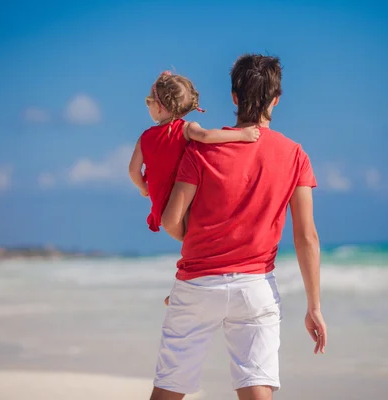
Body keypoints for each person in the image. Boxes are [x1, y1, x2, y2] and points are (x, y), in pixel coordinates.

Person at [149, 54, 327, 400]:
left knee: (169, 388)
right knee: (256, 388)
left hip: (197, 283)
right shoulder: (294, 155)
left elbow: (172, 220)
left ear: (233, 97)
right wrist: (314, 306)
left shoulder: (202, 150)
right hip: (255, 287)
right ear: (276, 99)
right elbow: (306, 237)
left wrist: (203, 246)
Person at [128, 71, 260, 233]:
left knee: (186, 239)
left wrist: (143, 187)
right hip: (186, 196)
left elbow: (133, 170)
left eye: (149, 102)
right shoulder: (186, 128)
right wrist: (241, 135)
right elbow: (207, 136)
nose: (148, 106)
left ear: (159, 106)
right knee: (195, 237)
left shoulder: (145, 138)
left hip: (162, 205)